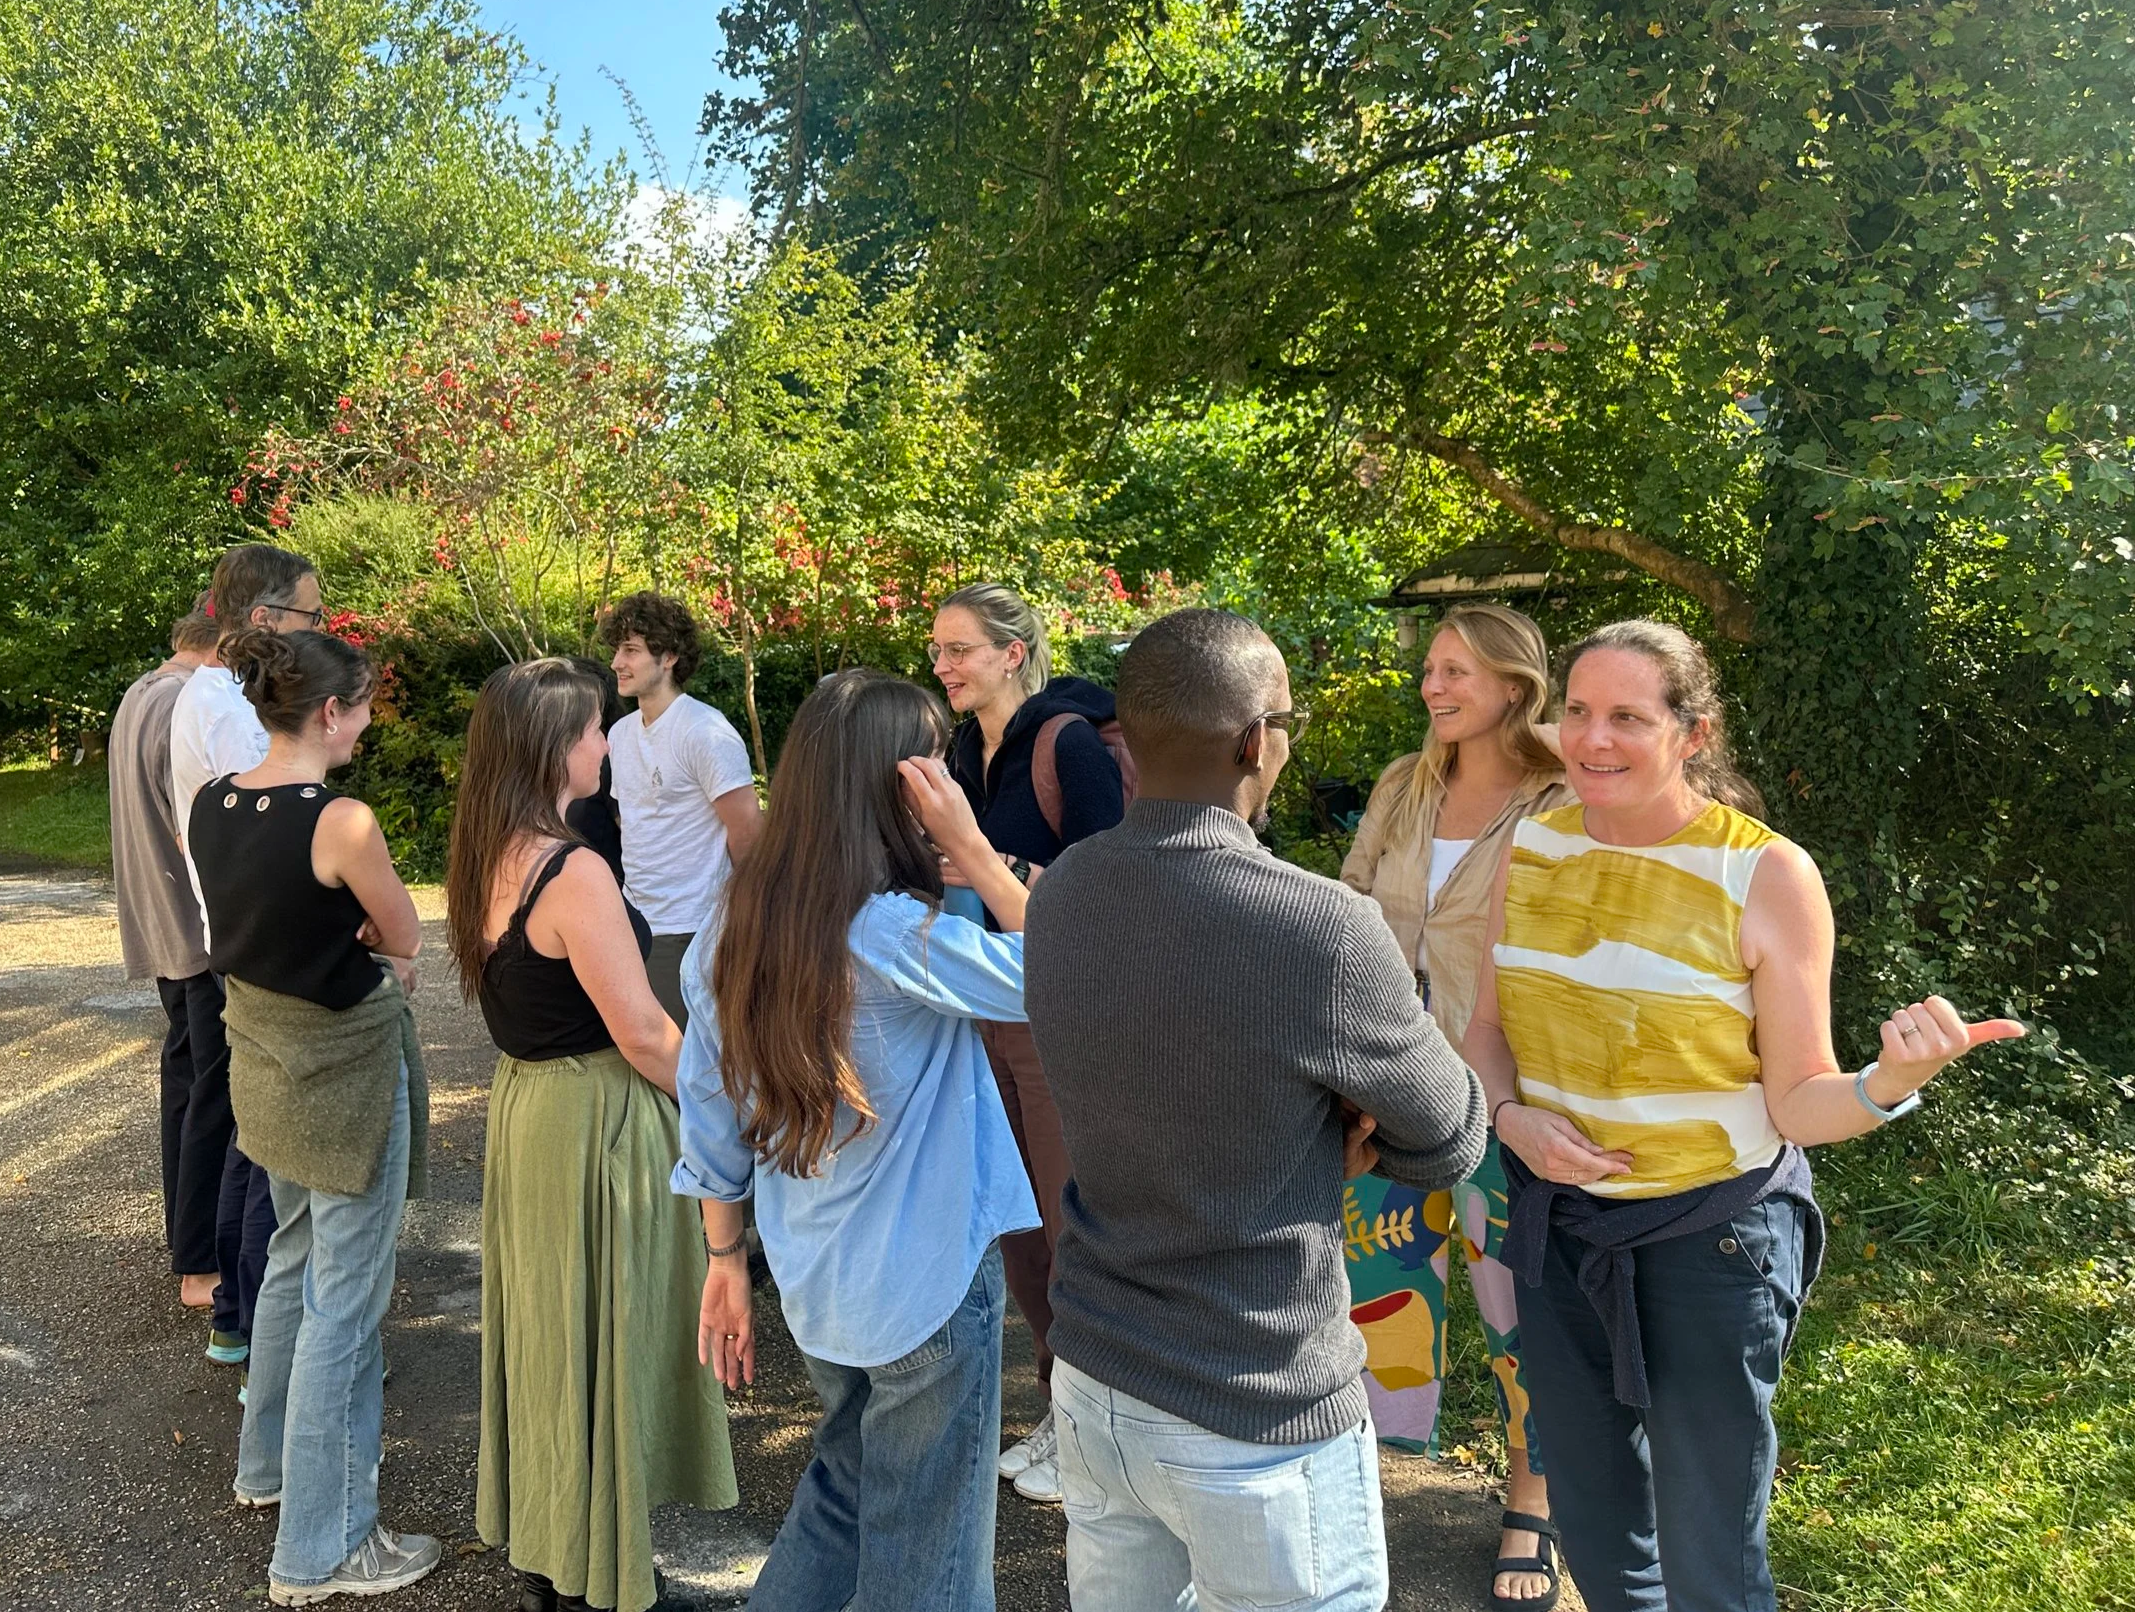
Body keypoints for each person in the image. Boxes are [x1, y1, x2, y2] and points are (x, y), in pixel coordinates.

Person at [1464, 619, 2024, 1612]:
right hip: (1554, 1234)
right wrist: (1507, 1118)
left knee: (1709, 1553)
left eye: (1626, 716)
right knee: (1594, 1533)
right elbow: (1484, 1031)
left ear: (1692, 732)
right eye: (1579, 710)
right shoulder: (1530, 845)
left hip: (1709, 1243)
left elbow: (1798, 1104)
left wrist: (1885, 1082)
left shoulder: (1762, 874)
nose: (1591, 738)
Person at [1023, 608, 1490, 1612]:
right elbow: (1449, 1132)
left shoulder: (1062, 894)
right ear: (1254, 740)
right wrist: (1337, 1138)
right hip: (1254, 1399)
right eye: (1288, 719)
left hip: (1096, 1376)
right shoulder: (1318, 928)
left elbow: (1143, 1080)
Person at [673, 669, 1041, 1612]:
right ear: (901, 789)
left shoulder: (726, 929)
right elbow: (1068, 975)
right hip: (925, 1286)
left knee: (844, 1491)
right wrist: (979, 854)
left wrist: (724, 1260)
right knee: (932, 1549)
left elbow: (711, 1119)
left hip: (818, 1281)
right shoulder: (894, 936)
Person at [446, 658, 737, 1612]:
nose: (604, 743)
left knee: (548, 1340)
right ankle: (602, 1581)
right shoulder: (570, 870)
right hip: (595, 1121)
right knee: (608, 1340)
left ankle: (556, 1553)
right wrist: (738, 1105)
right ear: (552, 747)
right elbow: (647, 1035)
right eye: (590, 730)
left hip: (528, 1114)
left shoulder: (484, 849)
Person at [192, 627, 436, 1606]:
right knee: (347, 1306)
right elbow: (406, 930)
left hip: (266, 1065)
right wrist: (381, 938)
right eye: (365, 705)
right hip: (343, 1076)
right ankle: (321, 1550)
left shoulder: (213, 802)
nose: (369, 723)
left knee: (292, 1266)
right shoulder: (341, 821)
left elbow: (244, 918)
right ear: (330, 712)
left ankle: (268, 1473)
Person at [1339, 604, 1572, 1611]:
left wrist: (1550, 737)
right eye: (1430, 669)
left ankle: (1533, 1499)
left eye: (1459, 673)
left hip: (1506, 1087)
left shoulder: (1561, 798)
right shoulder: (1403, 784)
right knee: (1375, 1289)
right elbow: (1349, 901)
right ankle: (1368, 1479)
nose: (1433, 687)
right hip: (1388, 1081)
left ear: (1514, 687)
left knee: (1515, 1303)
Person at [930, 581, 1126, 1505]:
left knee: (1066, 1222)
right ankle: (1062, 1408)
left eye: (958, 648)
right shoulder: (964, 749)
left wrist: (988, 862)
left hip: (1056, 1020)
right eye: (935, 650)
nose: (942, 665)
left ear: (1013, 652)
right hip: (980, 1015)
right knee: (1018, 1233)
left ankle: (1093, 1427)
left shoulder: (1068, 742)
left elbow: (1112, 884)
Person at [170, 543, 325, 1384]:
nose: (318, 627)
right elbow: (265, 837)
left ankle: (237, 1317)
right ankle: (266, 1333)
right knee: (269, 1146)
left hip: (237, 933)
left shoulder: (206, 694)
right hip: (262, 941)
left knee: (248, 1138)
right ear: (265, 620)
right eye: (311, 614)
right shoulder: (232, 708)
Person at [108, 595, 226, 1317]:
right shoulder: (185, 702)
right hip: (198, 930)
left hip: (161, 928)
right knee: (212, 1094)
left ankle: (189, 1251)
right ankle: (200, 1264)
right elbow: (202, 832)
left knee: (187, 1083)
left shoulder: (140, 692)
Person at [598, 592, 761, 1029]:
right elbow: (628, 818)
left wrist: (748, 922)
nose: (617, 662)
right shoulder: (619, 733)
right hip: (631, 922)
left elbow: (747, 830)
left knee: (688, 1073)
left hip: (694, 926)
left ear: (668, 656)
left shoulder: (706, 731)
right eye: (617, 650)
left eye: (631, 650)